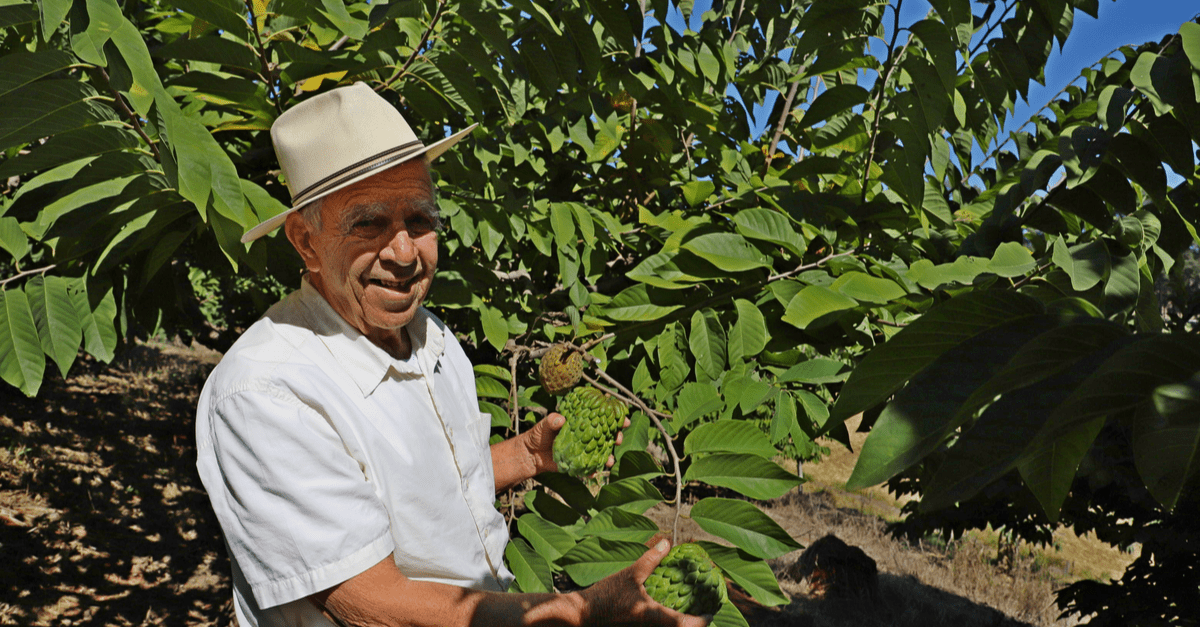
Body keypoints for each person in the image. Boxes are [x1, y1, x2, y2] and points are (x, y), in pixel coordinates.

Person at [195, 83, 709, 627]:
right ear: (305, 240)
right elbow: (370, 604)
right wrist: (582, 613)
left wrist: (527, 457)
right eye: (367, 223)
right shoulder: (268, 390)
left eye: (419, 220)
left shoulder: (431, 336)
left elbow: (421, 488)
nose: (403, 252)